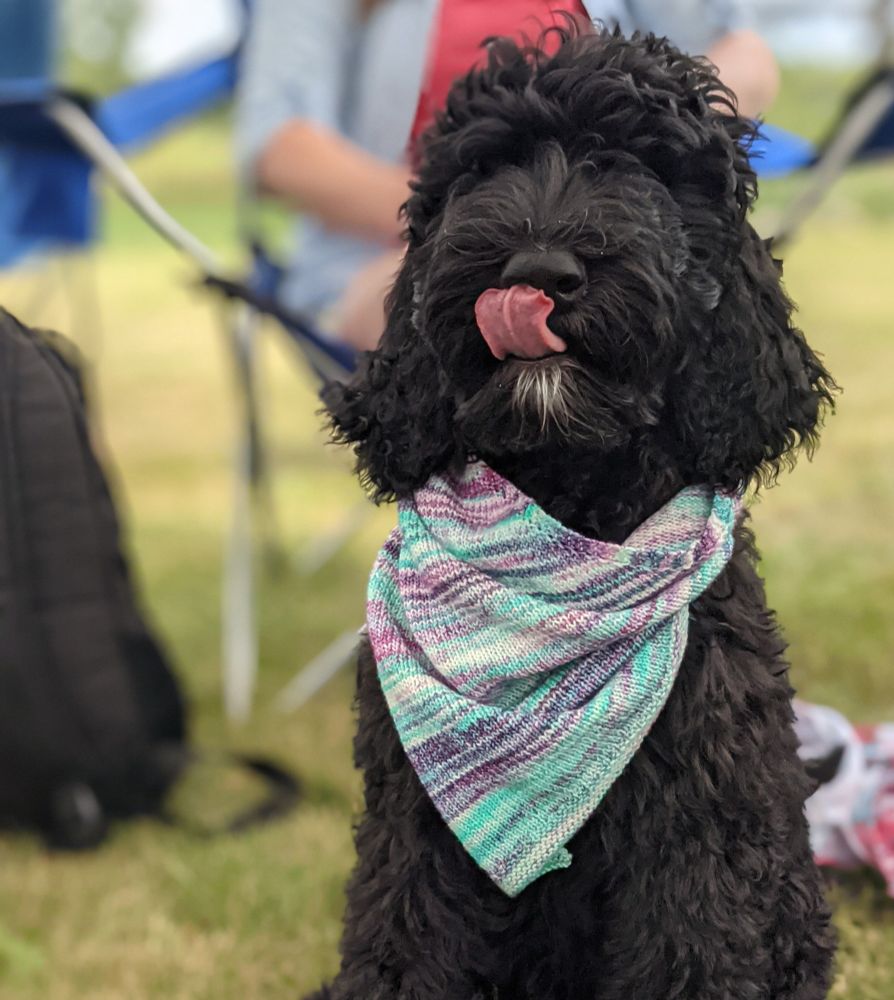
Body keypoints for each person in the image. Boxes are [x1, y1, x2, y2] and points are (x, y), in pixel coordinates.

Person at [235, 0, 780, 351]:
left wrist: (666, 122)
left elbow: (745, 55)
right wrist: (457, 220)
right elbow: (279, 148)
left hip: (614, 229)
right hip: (391, 252)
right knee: (429, 310)